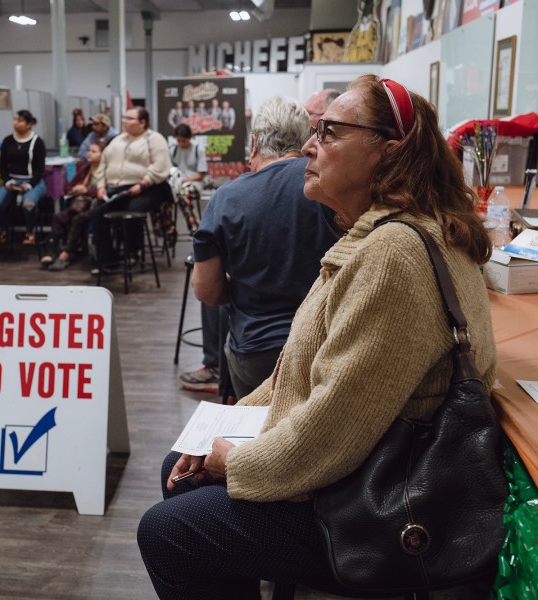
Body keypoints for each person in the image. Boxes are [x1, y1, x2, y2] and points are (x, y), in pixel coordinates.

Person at [138, 75, 497, 598]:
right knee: (182, 464)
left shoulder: (393, 254)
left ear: (387, 153)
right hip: (366, 465)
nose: (309, 145)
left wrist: (233, 462)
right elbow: (301, 370)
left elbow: (334, 434)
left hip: (381, 505)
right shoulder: (380, 234)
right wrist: (214, 433)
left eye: (329, 132)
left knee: (170, 531)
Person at [191, 97, 338, 400]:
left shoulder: (226, 198)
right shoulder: (327, 186)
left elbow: (207, 292)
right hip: (323, 343)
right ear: (305, 140)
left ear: (254, 142)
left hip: (255, 353)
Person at [90, 107, 173, 271]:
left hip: (149, 187)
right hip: (117, 189)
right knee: (97, 212)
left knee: (133, 208)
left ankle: (133, 252)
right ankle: (108, 259)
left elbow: (160, 166)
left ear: (142, 123)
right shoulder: (117, 140)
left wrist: (143, 183)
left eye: (129, 118)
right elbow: (102, 165)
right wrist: (100, 186)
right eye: (124, 117)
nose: (124, 121)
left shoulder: (154, 139)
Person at [41, 141, 105, 271]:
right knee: (58, 217)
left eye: (94, 151)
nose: (89, 154)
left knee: (78, 219)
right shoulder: (85, 168)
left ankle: (66, 254)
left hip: (94, 207)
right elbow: (68, 186)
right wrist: (75, 189)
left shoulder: (106, 172)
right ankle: (52, 252)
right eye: (89, 151)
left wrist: (86, 191)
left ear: (103, 155)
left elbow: (103, 193)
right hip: (78, 205)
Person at [0, 110, 47, 246]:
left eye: (20, 120)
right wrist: (7, 181)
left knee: (28, 203)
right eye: (15, 119)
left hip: (33, 181)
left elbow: (40, 169)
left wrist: (30, 185)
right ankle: (2, 229)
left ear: (28, 124)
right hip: (12, 181)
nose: (15, 123)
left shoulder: (37, 142)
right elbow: (2, 165)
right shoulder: (8, 140)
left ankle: (30, 231)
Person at [169, 123, 208, 234]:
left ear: (189, 138)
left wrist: (185, 181)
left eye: (184, 141)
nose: (181, 143)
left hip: (194, 183)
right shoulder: (173, 151)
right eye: (179, 140)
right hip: (177, 184)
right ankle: (170, 228)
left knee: (183, 193)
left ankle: (194, 224)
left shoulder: (198, 150)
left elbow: (201, 175)